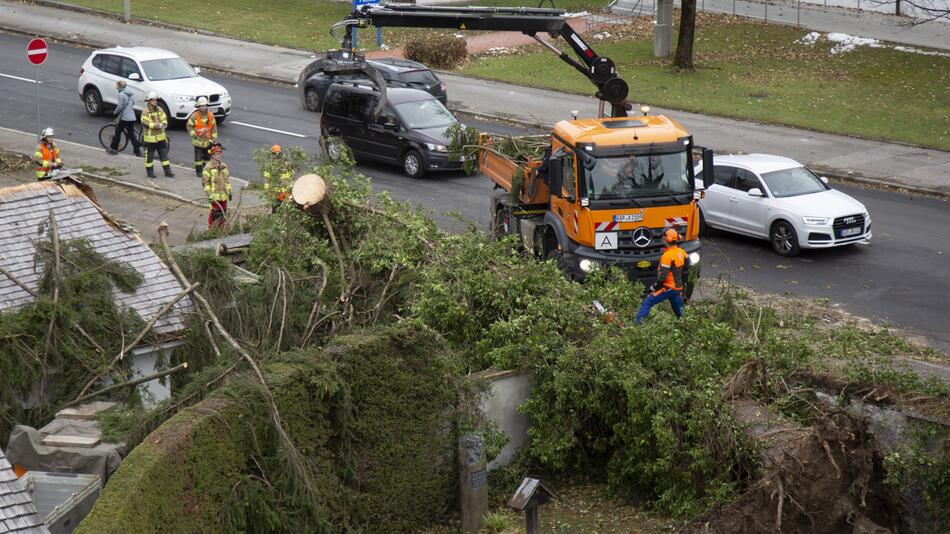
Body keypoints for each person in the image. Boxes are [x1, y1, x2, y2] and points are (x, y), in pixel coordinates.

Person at [635, 228, 687, 324]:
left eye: (663, 238)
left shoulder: (667, 256)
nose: (662, 239)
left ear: (666, 239)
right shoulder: (681, 252)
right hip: (677, 288)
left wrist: (654, 288)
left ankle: (637, 325)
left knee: (648, 301)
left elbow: (663, 277)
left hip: (668, 288)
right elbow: (687, 267)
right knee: (680, 313)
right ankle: (686, 326)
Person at [141, 91, 174, 178]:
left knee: (164, 156)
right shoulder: (145, 111)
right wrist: (156, 125)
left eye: (155, 100)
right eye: (153, 100)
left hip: (161, 138)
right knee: (149, 157)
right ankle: (150, 172)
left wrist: (163, 124)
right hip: (150, 139)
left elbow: (164, 119)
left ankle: (168, 171)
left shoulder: (160, 109)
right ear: (148, 101)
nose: (155, 101)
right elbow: (145, 123)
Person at [186, 96, 217, 178]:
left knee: (207, 158)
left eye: (204, 105)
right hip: (198, 142)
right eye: (201, 106)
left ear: (207, 106)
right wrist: (194, 135)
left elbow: (214, 128)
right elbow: (189, 126)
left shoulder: (211, 116)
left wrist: (213, 140)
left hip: (208, 142)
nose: (203, 107)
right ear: (198, 106)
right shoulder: (194, 116)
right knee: (198, 158)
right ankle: (199, 171)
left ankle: (205, 170)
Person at [109, 80, 142, 156]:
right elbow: (133, 103)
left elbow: (120, 106)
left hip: (125, 117)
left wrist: (115, 112)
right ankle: (137, 151)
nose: (116, 88)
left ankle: (113, 149)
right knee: (131, 134)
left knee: (118, 132)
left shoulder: (121, 94)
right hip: (132, 116)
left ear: (120, 87)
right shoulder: (129, 94)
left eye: (117, 86)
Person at [202, 142, 231, 228]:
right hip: (214, 196)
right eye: (217, 154)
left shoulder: (224, 166)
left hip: (223, 196)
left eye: (220, 153)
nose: (219, 155)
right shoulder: (208, 167)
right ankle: (211, 229)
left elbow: (227, 181)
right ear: (213, 155)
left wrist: (229, 191)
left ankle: (221, 229)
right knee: (214, 213)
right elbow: (205, 183)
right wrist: (209, 195)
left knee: (223, 213)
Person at [261, 144, 294, 212]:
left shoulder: (286, 163)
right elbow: (267, 176)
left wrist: (291, 185)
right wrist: (267, 189)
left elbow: (291, 174)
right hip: (276, 190)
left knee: (285, 206)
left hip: (283, 190)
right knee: (276, 206)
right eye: (277, 153)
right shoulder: (271, 164)